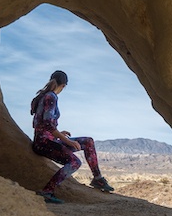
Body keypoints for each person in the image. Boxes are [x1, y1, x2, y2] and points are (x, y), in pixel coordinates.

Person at [29, 70, 114, 203]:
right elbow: (47, 125)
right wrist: (66, 140)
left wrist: (59, 134)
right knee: (75, 162)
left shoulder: (44, 96)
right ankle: (47, 191)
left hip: (47, 139)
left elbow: (43, 124)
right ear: (63, 86)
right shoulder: (50, 97)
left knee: (88, 141)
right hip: (43, 143)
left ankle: (98, 179)